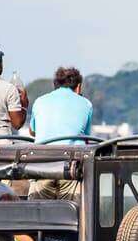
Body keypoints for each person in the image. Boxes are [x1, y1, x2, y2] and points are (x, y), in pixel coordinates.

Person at [27, 66, 93, 200]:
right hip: (71, 167)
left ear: (55, 85)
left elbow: (33, 131)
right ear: (78, 87)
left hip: (41, 165)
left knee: (37, 214)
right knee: (75, 213)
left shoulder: (40, 101)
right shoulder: (86, 104)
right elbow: (85, 138)